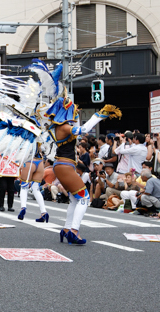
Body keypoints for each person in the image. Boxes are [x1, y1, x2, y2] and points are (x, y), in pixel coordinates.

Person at [41, 62, 121, 245]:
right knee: (84, 198)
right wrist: (100, 114)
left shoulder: (59, 127)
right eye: (73, 109)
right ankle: (74, 232)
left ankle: (67, 229)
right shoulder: (66, 128)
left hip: (62, 164)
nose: (75, 111)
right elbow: (84, 129)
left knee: (74, 199)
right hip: (65, 166)